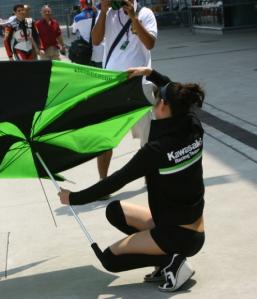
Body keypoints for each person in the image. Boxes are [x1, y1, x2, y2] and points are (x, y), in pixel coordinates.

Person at [59, 66, 206, 292]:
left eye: (157, 99)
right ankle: (166, 260)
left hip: (178, 235)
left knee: (109, 259)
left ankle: (172, 261)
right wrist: (149, 73)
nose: (154, 103)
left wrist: (74, 198)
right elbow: (175, 90)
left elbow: (115, 181)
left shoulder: (157, 150)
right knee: (115, 211)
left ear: (165, 107)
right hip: (190, 227)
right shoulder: (192, 124)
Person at [92, 0, 157, 180]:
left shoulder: (145, 13)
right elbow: (96, 40)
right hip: (113, 85)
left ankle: (150, 177)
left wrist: (134, 18)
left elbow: (150, 43)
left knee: (148, 135)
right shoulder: (108, 13)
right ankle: (103, 182)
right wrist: (103, 11)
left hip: (139, 84)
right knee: (105, 137)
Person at [71, 0, 105, 67]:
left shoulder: (77, 17)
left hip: (86, 53)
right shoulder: (100, 14)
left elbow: (73, 32)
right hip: (101, 52)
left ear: (82, 5)